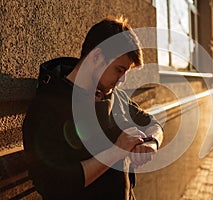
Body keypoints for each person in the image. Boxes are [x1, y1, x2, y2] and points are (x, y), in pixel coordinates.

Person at [22, 17, 163, 200]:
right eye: (119, 70)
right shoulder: (46, 107)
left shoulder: (115, 95)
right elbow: (51, 184)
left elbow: (153, 123)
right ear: (96, 57)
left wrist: (152, 143)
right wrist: (116, 151)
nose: (123, 80)